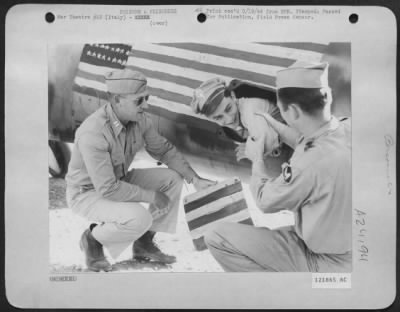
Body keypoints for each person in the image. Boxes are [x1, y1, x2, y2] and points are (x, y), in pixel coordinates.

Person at [204, 62, 352, 272]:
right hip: (354, 248)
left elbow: (265, 201)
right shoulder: (347, 128)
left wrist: (257, 160)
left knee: (216, 237)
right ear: (326, 97)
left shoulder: (305, 165)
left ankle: (279, 295)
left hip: (324, 261)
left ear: (290, 110)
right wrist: (276, 125)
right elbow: (310, 142)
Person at [66, 69, 216, 272]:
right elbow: (108, 189)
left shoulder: (140, 119)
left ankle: (144, 244)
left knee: (172, 179)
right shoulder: (93, 132)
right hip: (87, 193)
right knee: (139, 217)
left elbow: (163, 150)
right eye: (139, 100)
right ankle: (92, 240)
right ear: (118, 100)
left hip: (119, 180)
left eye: (146, 98)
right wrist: (151, 196)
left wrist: (195, 179)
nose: (145, 105)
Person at [191, 78, 292, 176]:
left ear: (233, 96)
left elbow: (268, 142)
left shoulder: (250, 108)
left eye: (228, 108)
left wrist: (250, 149)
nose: (229, 119)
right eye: (218, 118)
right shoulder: (235, 122)